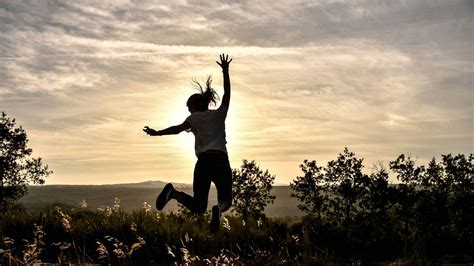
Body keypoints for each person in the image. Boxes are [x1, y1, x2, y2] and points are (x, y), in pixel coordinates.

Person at [143, 54, 233, 233]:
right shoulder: (219, 114)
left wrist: (157, 133)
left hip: (204, 163)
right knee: (226, 201)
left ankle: (174, 193)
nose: (187, 109)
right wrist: (225, 71)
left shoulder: (193, 119)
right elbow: (227, 94)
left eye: (188, 106)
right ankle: (218, 209)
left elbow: (177, 129)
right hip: (221, 161)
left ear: (195, 106)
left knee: (199, 207)